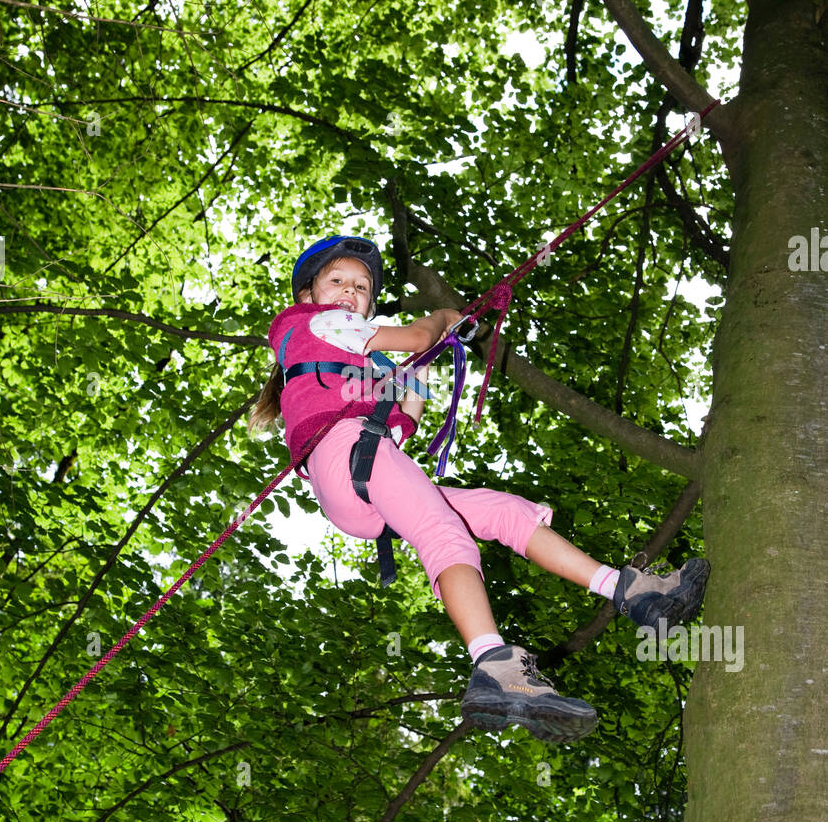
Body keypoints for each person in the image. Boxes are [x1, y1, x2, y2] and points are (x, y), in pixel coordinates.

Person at [248, 235, 709, 743]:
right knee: (442, 531)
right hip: (347, 451)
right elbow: (420, 337)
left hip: (368, 473)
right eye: (337, 281)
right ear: (309, 294)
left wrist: (421, 363)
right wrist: (444, 318)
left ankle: (631, 592)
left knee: (503, 513)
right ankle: (494, 665)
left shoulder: (369, 357)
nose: (349, 292)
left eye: (361, 287)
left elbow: (410, 413)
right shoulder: (313, 323)